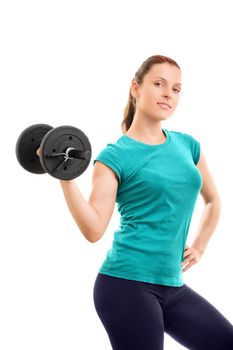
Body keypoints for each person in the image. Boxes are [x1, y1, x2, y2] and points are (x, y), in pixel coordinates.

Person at [60, 55, 233, 349]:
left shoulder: (188, 145)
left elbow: (214, 201)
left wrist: (200, 244)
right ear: (135, 88)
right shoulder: (115, 156)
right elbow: (93, 230)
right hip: (125, 285)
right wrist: (64, 176)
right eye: (159, 84)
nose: (168, 94)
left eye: (176, 89)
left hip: (172, 285)